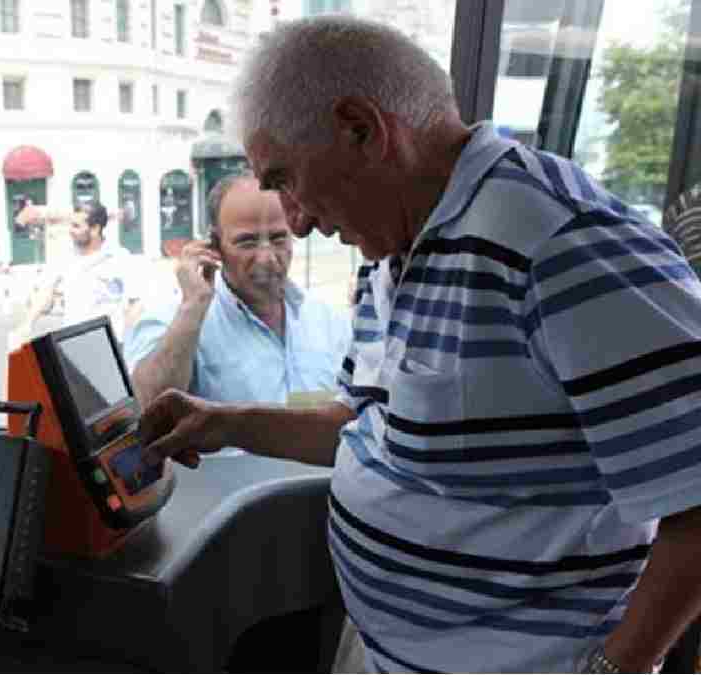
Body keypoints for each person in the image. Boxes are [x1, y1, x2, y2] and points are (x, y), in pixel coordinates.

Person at [138, 16, 701, 674]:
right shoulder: (395, 252)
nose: (298, 220)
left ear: (363, 130)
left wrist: (614, 669)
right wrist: (224, 422)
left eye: (286, 179)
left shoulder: (559, 240)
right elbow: (372, 423)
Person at [124, 170, 351, 409]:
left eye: (278, 239)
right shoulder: (173, 321)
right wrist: (193, 307)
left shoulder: (329, 321)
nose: (267, 258)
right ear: (214, 246)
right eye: (247, 242)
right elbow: (151, 405)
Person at [16, 201, 146, 342]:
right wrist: (27, 323)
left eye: (76, 226)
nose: (70, 230)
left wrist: (127, 336)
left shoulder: (119, 257)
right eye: (70, 224)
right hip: (72, 342)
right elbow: (45, 291)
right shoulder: (64, 255)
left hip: (109, 344)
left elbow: (136, 302)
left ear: (95, 229)